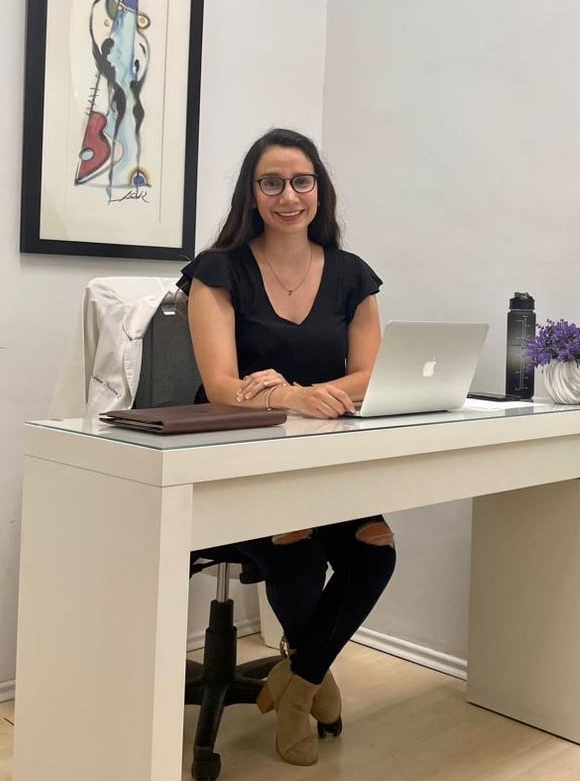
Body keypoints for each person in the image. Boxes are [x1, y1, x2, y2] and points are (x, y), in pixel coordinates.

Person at [178, 128, 396, 767]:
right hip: (238, 457)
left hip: (324, 455)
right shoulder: (218, 271)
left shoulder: (354, 275)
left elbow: (370, 375)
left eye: (302, 181)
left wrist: (306, 391)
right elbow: (220, 386)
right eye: (271, 182)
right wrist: (284, 400)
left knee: (372, 554)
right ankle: (313, 684)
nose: (288, 195)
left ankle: (294, 682)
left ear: (319, 192)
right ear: (253, 192)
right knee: (295, 553)